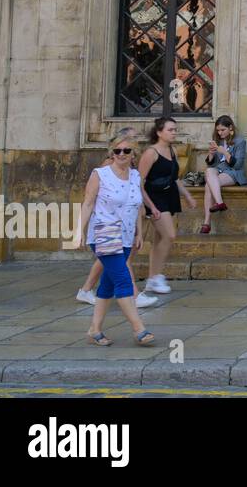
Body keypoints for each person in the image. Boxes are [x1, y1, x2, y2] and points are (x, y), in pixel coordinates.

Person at [80, 132, 156, 347]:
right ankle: (139, 328)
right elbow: (87, 203)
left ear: (134, 154)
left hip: (125, 235)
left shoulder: (135, 176)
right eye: (117, 151)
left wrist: (139, 233)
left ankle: (95, 329)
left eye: (126, 151)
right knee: (123, 280)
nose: (121, 154)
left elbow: (137, 205)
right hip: (104, 232)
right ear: (111, 153)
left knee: (108, 284)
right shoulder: (100, 174)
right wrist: (78, 231)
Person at [137, 116, 197, 295]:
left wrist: (187, 195)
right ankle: (155, 277)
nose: (174, 133)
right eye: (170, 130)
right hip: (154, 197)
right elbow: (139, 182)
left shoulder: (172, 150)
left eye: (175, 130)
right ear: (159, 132)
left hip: (169, 195)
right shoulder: (151, 153)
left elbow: (174, 177)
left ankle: (152, 278)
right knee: (170, 235)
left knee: (159, 239)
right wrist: (149, 206)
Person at [200, 115, 247, 235]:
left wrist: (225, 152)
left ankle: (206, 223)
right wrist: (211, 154)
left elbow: (238, 165)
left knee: (208, 186)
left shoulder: (240, 141)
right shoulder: (218, 140)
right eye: (218, 130)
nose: (220, 133)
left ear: (230, 127)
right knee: (209, 171)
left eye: (222, 130)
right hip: (218, 171)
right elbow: (213, 164)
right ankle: (220, 203)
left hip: (233, 172)